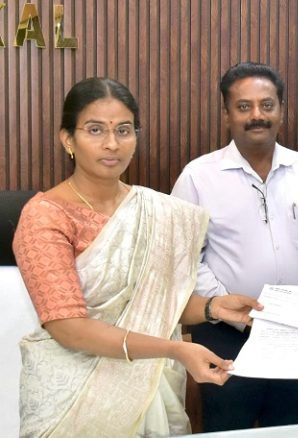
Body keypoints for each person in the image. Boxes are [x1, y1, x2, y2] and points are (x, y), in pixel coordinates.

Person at [12, 77, 261, 437]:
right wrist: (174, 349)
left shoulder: (156, 210)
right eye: (95, 129)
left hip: (147, 394)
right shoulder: (45, 216)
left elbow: (161, 306)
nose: (112, 143)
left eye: (123, 130)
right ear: (67, 139)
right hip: (72, 404)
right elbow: (68, 327)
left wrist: (213, 307)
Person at [171, 62, 298, 431]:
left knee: (294, 429)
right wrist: (228, 308)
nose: (257, 115)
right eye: (244, 106)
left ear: (281, 110)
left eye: (267, 105)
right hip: (226, 337)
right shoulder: (198, 177)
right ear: (227, 114)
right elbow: (186, 259)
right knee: (228, 430)